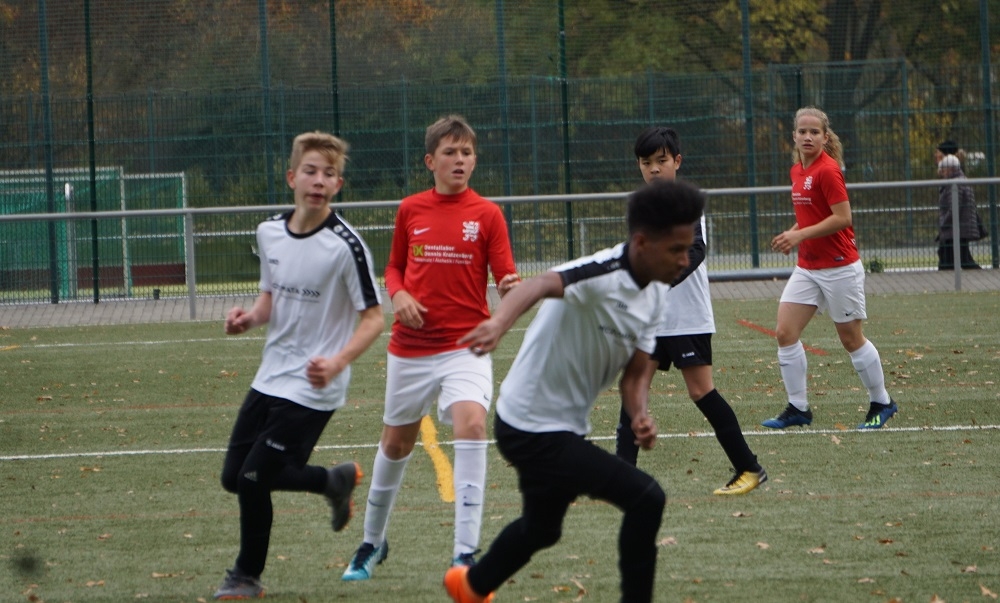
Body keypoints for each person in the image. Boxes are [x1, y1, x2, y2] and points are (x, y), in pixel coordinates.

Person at [444, 179, 705, 603]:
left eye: (688, 247)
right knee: (646, 498)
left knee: (542, 529)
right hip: (530, 427)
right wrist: (498, 323)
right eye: (676, 249)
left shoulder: (657, 293)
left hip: (560, 427)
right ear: (642, 242)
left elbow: (636, 374)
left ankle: (469, 586)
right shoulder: (603, 273)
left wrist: (639, 413)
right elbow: (539, 284)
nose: (684, 259)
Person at [342, 115, 520, 581]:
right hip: (411, 349)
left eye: (466, 152)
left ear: (474, 160)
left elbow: (506, 273)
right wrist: (398, 293)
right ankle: (371, 542)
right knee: (395, 444)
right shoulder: (411, 210)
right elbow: (394, 268)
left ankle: (464, 554)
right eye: (450, 152)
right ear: (430, 161)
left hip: (466, 347)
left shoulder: (488, 215)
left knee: (472, 424)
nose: (459, 160)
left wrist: (510, 287)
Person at [213, 132, 384, 599]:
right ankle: (332, 481)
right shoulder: (269, 232)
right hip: (272, 374)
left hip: (314, 385)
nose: (319, 180)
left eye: (329, 174)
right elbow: (269, 298)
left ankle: (246, 576)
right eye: (310, 171)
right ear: (292, 177)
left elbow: (374, 319)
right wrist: (248, 319)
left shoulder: (346, 246)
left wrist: (337, 362)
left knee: (253, 479)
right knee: (234, 477)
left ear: (338, 185)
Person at [616, 126, 766, 496]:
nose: (654, 169)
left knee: (701, 392)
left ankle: (749, 468)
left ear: (677, 161)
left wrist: (659, 281)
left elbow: (696, 250)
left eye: (661, 161)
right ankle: (621, 479)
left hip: (686, 319)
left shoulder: (686, 203)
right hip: (652, 320)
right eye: (646, 163)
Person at [762, 107, 898, 431]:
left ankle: (882, 402)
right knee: (785, 333)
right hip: (808, 267)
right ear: (794, 136)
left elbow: (842, 218)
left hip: (840, 267)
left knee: (851, 339)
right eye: (802, 131)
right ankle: (798, 408)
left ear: (825, 137)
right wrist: (793, 234)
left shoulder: (828, 170)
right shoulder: (797, 170)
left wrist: (799, 235)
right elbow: (813, 217)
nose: (808, 137)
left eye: (814, 132)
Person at [936, 153, 983, 270]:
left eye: (944, 170)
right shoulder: (959, 181)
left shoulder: (955, 184)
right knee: (958, 257)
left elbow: (954, 207)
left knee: (956, 258)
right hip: (960, 227)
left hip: (957, 227)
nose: (942, 173)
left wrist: (944, 222)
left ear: (950, 169)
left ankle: (951, 278)